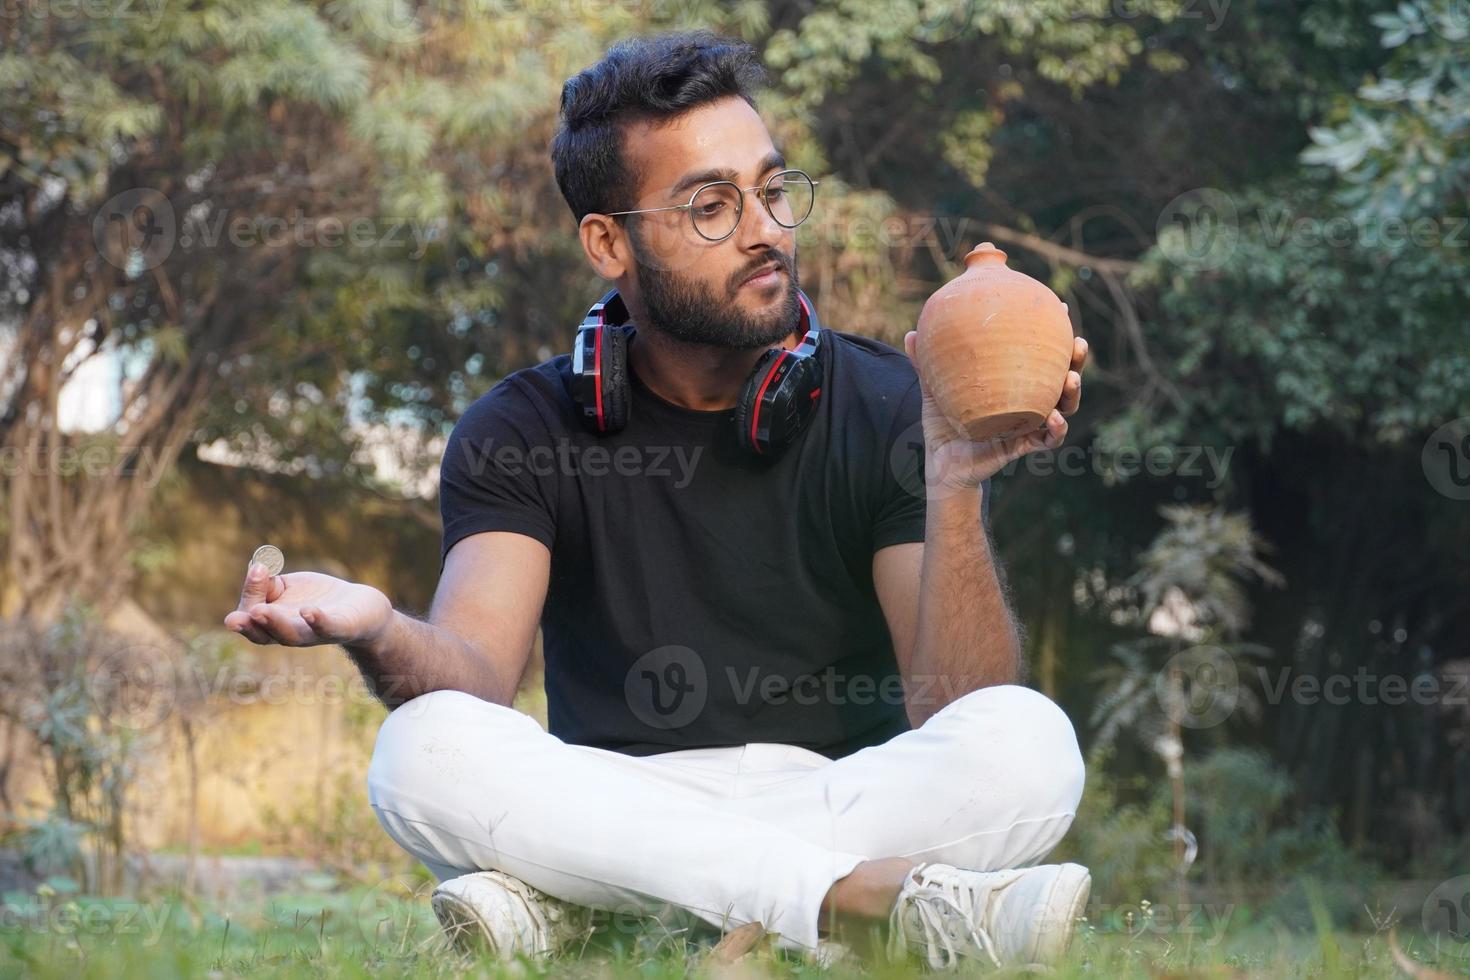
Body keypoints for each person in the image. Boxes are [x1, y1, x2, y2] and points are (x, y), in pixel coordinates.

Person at [223, 29, 1092, 970]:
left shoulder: (888, 402)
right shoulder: (520, 428)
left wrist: (954, 479)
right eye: (712, 206)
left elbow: (953, 708)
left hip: (839, 797)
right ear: (608, 240)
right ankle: (856, 904)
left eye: (771, 189)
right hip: (615, 793)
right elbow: (475, 682)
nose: (765, 228)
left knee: (1027, 738)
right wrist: (378, 626)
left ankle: (598, 908)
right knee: (421, 748)